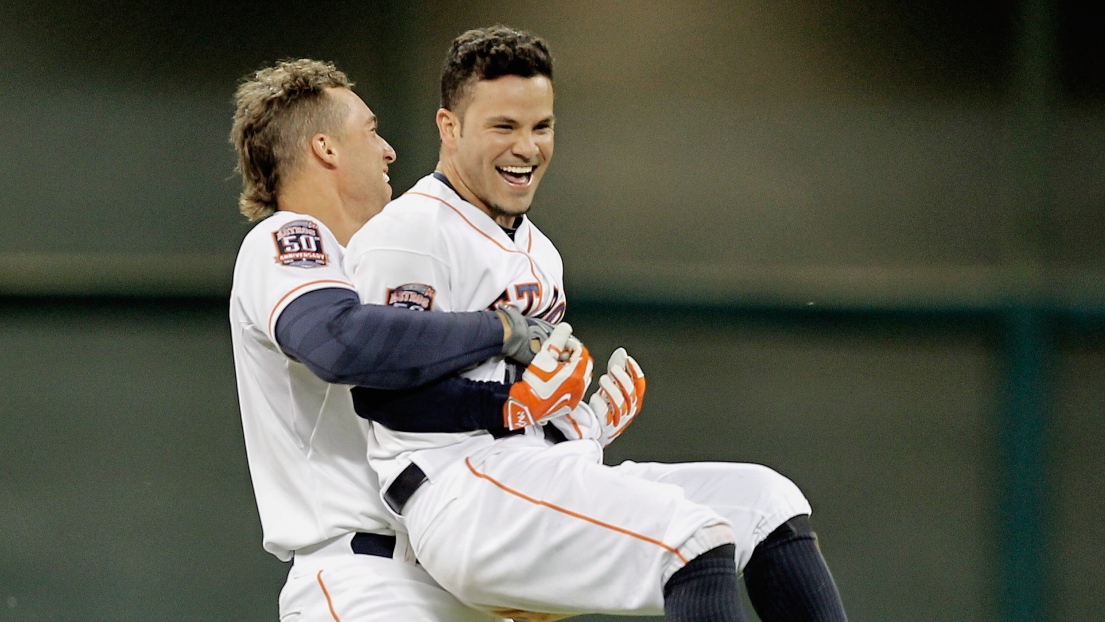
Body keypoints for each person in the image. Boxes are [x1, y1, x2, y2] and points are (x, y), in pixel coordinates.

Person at [345, 26, 850, 622]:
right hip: (459, 493)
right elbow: (380, 394)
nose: (527, 147)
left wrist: (584, 423)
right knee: (695, 539)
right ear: (449, 127)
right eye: (503, 127)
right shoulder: (413, 232)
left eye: (541, 127)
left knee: (767, 502)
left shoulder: (541, 251)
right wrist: (516, 406)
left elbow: (533, 414)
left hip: (537, 472)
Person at [227, 58, 568, 622]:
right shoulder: (289, 235)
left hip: (451, 570)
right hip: (365, 576)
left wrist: (560, 420)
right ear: (325, 149)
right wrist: (502, 328)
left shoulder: (388, 263)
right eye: (370, 131)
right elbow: (340, 342)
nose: (388, 150)